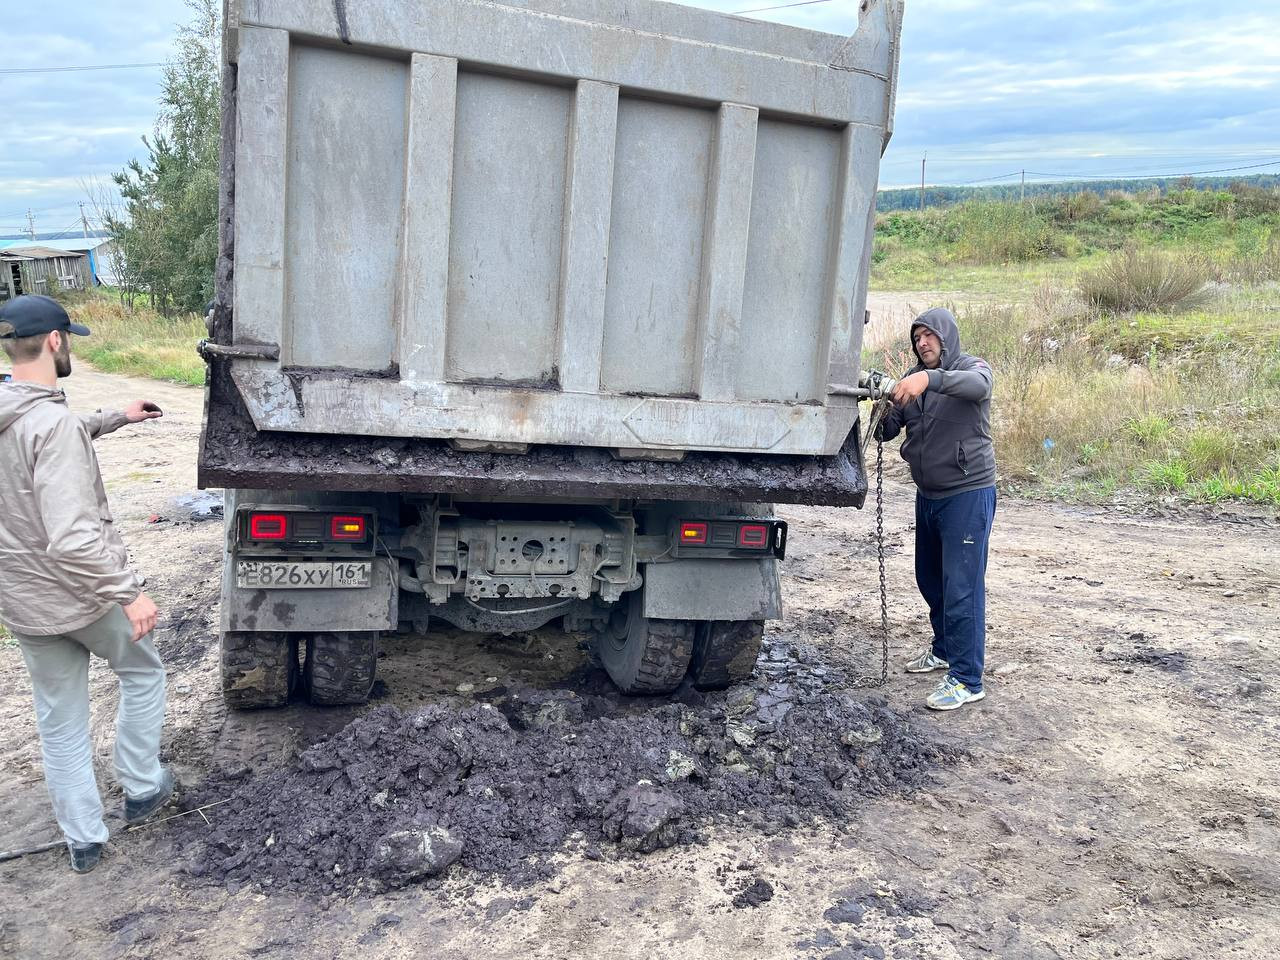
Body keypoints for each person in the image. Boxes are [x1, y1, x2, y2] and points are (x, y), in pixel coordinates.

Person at [0, 294, 174, 873]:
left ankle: (84, 839)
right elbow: (71, 539)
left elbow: (51, 435)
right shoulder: (51, 426)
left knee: (59, 719)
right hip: (83, 595)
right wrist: (129, 591)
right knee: (144, 672)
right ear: (55, 341)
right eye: (68, 337)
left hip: (25, 602)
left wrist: (118, 416)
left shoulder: (17, 409)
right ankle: (144, 786)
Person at [876, 307, 996, 711]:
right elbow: (887, 433)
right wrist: (884, 404)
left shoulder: (970, 368)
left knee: (963, 587)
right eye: (916, 338)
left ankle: (967, 678)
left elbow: (978, 387)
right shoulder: (913, 383)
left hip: (967, 493)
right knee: (931, 579)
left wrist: (928, 379)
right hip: (928, 496)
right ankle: (944, 650)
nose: (922, 343)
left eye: (929, 335)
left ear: (946, 336)